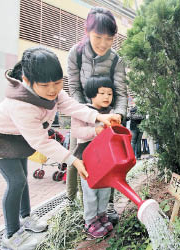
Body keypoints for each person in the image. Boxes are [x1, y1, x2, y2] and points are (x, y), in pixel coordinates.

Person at [0, 47, 120, 250]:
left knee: (23, 180)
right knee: (16, 182)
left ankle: (26, 218)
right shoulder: (21, 105)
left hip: (19, 138)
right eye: (45, 85)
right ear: (27, 81)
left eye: (58, 82)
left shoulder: (52, 90)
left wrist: (98, 116)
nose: (53, 90)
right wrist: (73, 160)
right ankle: (11, 236)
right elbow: (42, 142)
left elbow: (71, 106)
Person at [66, 7, 127, 222]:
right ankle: (73, 204)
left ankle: (107, 206)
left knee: (110, 161)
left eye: (109, 39)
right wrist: (86, 113)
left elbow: (121, 92)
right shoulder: (76, 53)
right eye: (98, 37)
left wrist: (118, 113)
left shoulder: (116, 60)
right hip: (82, 112)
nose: (103, 44)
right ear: (87, 32)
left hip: (109, 118)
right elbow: (73, 86)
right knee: (77, 157)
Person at [71, 75, 117, 238]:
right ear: (91, 94)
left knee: (105, 188)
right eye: (102, 93)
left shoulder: (110, 112)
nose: (107, 97)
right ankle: (90, 221)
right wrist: (94, 131)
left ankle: (101, 215)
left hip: (104, 158)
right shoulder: (82, 110)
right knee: (90, 190)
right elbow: (75, 132)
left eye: (109, 93)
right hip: (87, 158)